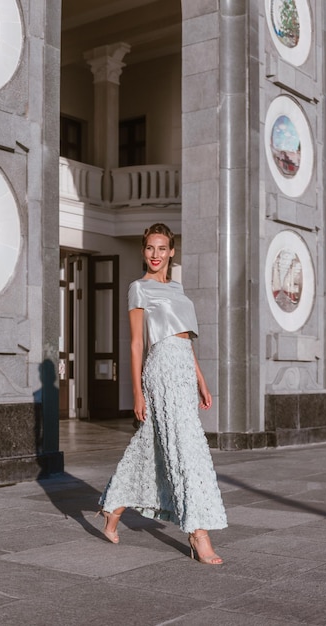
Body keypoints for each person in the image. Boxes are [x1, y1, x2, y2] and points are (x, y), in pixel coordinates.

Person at [98, 223, 227, 564]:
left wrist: (200, 379)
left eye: (161, 249)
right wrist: (137, 391)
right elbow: (137, 343)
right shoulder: (138, 289)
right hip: (161, 371)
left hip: (184, 369)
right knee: (186, 450)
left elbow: (186, 338)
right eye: (150, 249)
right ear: (145, 251)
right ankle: (198, 534)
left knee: (154, 446)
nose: (155, 255)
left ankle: (113, 509)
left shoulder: (179, 288)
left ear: (171, 252)